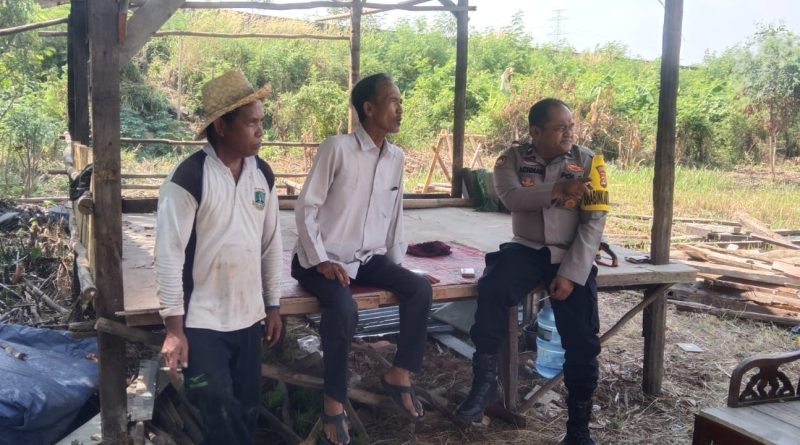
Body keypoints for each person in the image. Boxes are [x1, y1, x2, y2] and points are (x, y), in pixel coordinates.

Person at [456, 98, 608, 445]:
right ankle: (483, 385)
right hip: (526, 248)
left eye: (571, 126)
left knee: (583, 339)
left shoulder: (588, 161)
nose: (569, 132)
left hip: (570, 252)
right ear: (535, 132)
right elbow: (511, 198)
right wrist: (557, 189)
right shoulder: (511, 159)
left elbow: (594, 221)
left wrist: (571, 273)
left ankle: (579, 428)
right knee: (493, 289)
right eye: (560, 127)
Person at [292, 73, 433, 445]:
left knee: (419, 290)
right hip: (320, 258)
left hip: (367, 258)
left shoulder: (396, 157)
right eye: (393, 101)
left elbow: (395, 213)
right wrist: (321, 260)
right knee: (343, 308)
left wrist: (397, 266)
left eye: (401, 102)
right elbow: (306, 208)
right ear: (368, 108)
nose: (400, 109)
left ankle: (399, 374)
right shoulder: (337, 148)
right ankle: (333, 400)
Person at [156, 70, 283, 445]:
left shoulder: (262, 175)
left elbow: (270, 243)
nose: (260, 131)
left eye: (261, 122)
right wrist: (174, 329)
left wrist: (272, 305)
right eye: (251, 123)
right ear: (221, 126)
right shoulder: (189, 178)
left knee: (247, 406)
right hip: (202, 320)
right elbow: (168, 254)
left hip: (248, 316)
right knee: (217, 403)